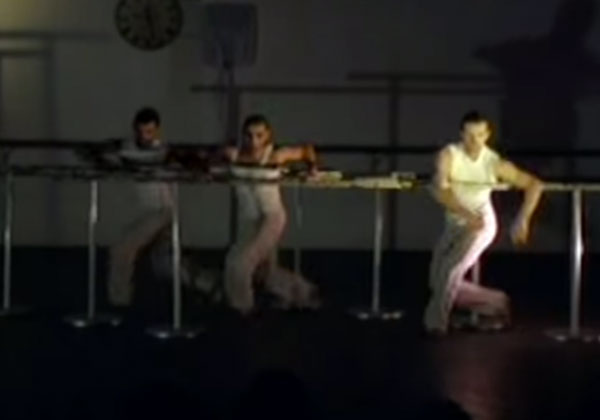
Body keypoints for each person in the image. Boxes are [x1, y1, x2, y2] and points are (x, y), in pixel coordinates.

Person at [425, 111, 544, 335]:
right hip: (457, 222)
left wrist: (522, 219)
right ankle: (495, 302)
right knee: (436, 280)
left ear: (487, 135)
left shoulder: (493, 162)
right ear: (461, 134)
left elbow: (534, 184)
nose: (474, 141)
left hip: (481, 224)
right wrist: (466, 215)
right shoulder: (448, 155)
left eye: (479, 135)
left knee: (450, 271)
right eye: (469, 135)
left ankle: (435, 325)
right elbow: (440, 191)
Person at [223, 114, 320, 314]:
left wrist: (312, 168)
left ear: (268, 135)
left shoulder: (275, 155)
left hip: (271, 218)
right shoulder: (235, 154)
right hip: (250, 220)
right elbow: (208, 157)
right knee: (264, 271)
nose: (254, 141)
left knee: (240, 263)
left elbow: (306, 150)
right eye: (249, 135)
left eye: (259, 135)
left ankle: (243, 309)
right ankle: (303, 294)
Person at [108, 107, 174, 306]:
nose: (145, 136)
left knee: (122, 250)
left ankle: (119, 300)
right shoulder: (127, 149)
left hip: (163, 210)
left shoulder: (164, 151)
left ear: (157, 131)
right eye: (142, 131)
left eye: (150, 132)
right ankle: (208, 284)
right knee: (164, 264)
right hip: (147, 212)